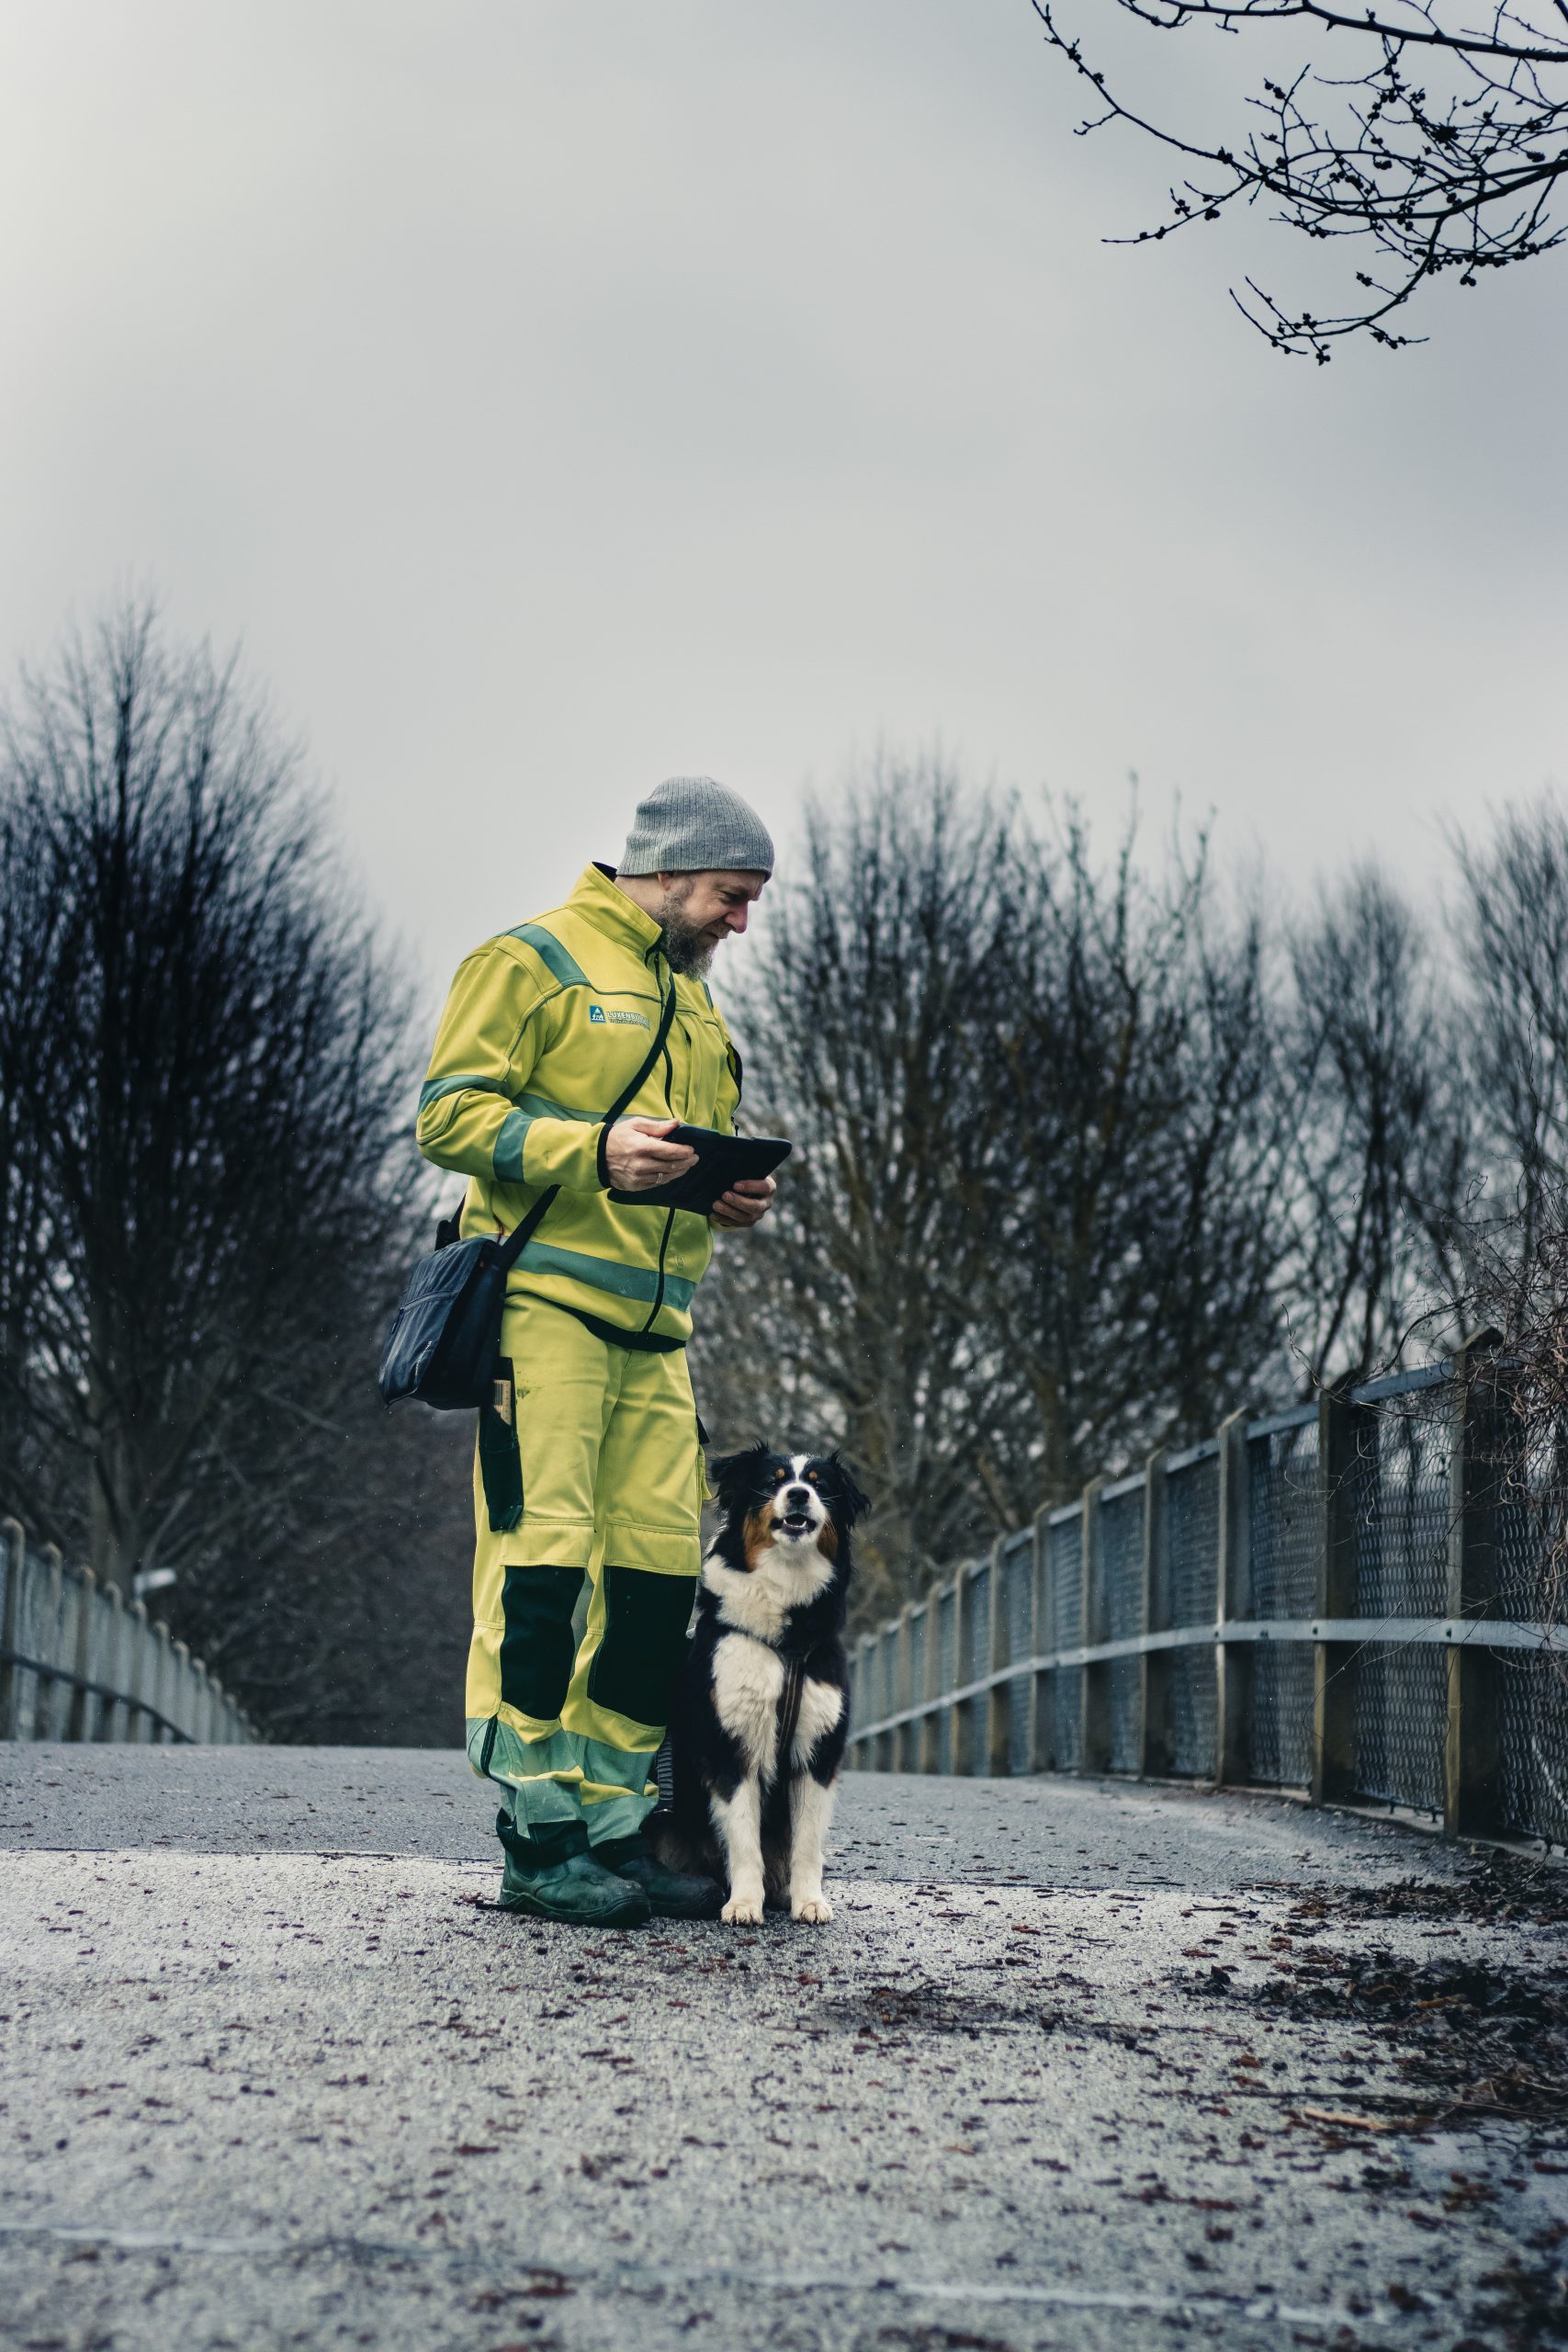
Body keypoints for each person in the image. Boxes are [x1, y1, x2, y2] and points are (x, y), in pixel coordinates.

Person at [416, 777, 777, 1928]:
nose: (739, 922)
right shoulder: (530, 962)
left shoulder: (700, 1009)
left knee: (657, 1577)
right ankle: (538, 1834)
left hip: (657, 1334)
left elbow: (677, 1160)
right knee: (542, 1568)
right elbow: (448, 1113)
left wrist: (730, 1194)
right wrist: (592, 1150)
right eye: (730, 896)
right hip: (545, 1316)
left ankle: (617, 1826)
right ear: (669, 870)